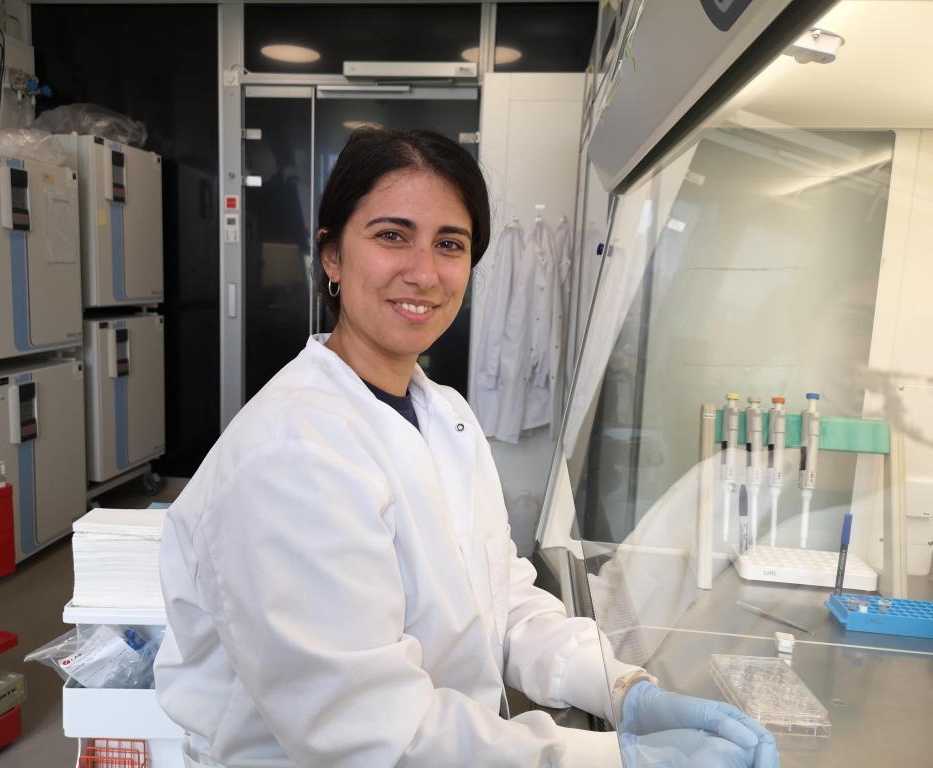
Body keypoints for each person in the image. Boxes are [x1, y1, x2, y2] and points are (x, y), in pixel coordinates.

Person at [154, 128, 779, 768]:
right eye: (391, 235)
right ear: (332, 256)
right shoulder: (291, 456)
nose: (424, 273)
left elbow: (502, 600)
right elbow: (371, 732)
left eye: (449, 244)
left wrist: (621, 689)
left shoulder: (444, 414)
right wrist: (619, 759)